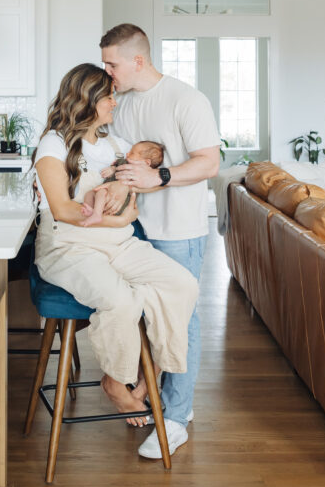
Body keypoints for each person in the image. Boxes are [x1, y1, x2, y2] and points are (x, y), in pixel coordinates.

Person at [33, 63, 199, 426]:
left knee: (182, 284)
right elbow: (62, 210)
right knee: (121, 300)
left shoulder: (114, 144)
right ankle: (115, 380)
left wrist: (125, 185)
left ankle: (151, 374)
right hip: (70, 247)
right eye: (108, 96)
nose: (114, 103)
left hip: (119, 245)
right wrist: (122, 218)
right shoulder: (54, 145)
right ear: (88, 100)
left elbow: (143, 174)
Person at [100, 23, 221, 458]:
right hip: (136, 229)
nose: (107, 70)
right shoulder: (126, 104)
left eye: (112, 62)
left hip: (178, 229)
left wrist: (161, 176)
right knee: (146, 317)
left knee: (180, 319)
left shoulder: (186, 99)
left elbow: (209, 163)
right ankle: (156, 392)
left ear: (138, 60)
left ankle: (176, 416)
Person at [81, 139, 165, 226]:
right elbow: (115, 166)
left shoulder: (144, 175)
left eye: (132, 153)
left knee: (101, 192)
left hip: (120, 203)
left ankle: (97, 215)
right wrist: (112, 169)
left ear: (146, 162)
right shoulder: (123, 162)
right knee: (90, 193)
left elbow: (148, 185)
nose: (127, 154)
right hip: (106, 194)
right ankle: (92, 211)